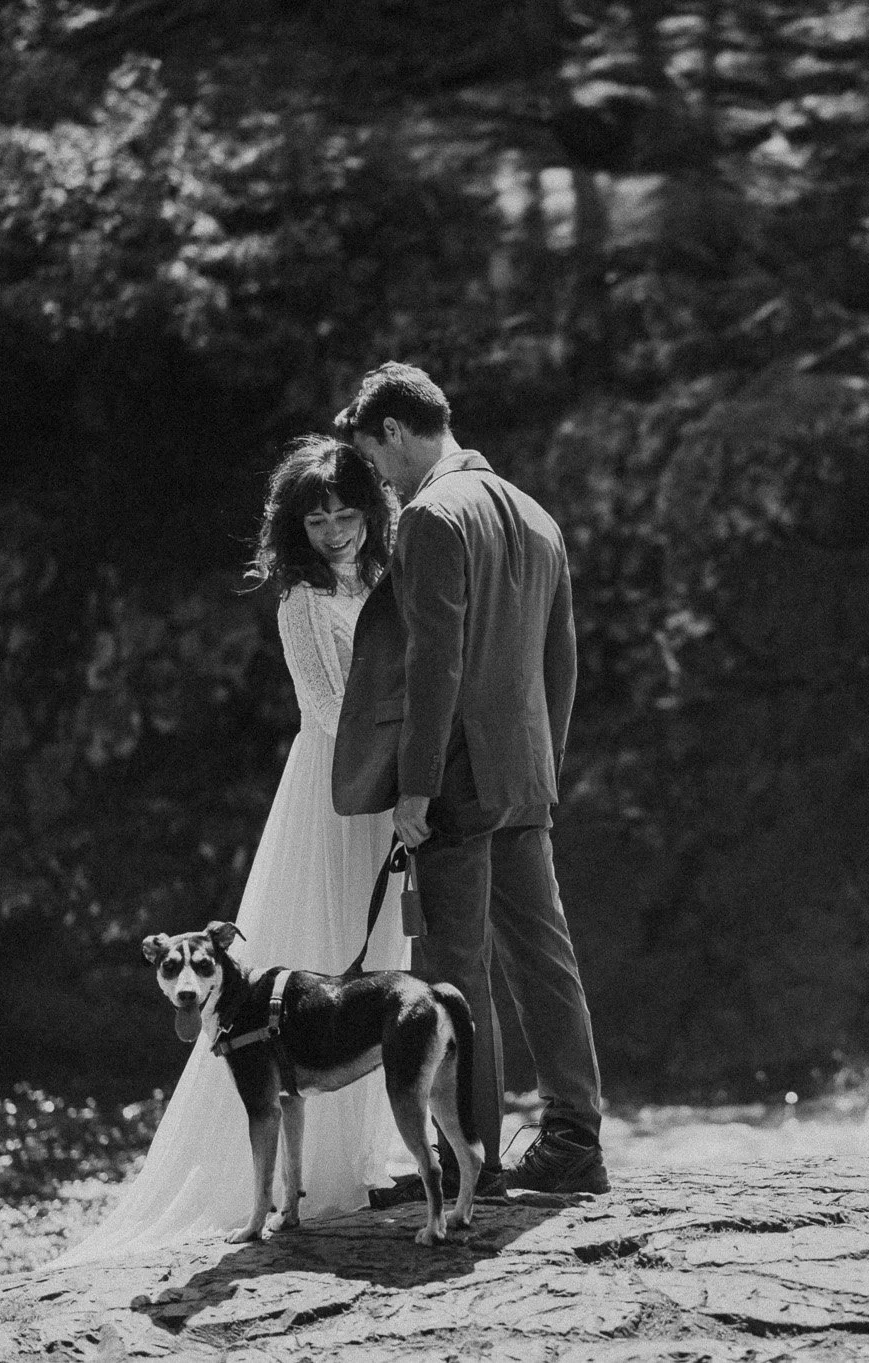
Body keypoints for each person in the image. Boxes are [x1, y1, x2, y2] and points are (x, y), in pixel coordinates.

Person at [56, 436, 412, 1264]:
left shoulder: (389, 580)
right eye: (316, 516)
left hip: (387, 780)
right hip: (335, 785)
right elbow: (324, 709)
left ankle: (358, 1159)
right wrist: (397, 775)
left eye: (346, 511)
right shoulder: (300, 599)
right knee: (323, 957)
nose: (333, 529)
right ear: (297, 526)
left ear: (370, 509)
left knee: (379, 962)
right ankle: (299, 1176)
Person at [332, 361, 607, 1195]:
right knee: (543, 956)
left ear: (394, 431)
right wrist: (542, 768)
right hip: (523, 775)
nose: (377, 477)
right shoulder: (537, 514)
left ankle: (466, 1160)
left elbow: (434, 667)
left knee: (452, 973)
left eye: (376, 458)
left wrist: (414, 789)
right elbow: (562, 661)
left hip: (455, 777)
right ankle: (574, 1141)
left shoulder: (431, 516)